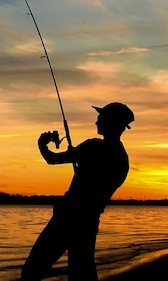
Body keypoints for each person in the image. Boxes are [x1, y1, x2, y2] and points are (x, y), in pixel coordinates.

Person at [21, 102, 134, 281]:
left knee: (31, 271)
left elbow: (52, 159)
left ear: (110, 122)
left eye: (100, 118)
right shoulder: (122, 159)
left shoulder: (93, 147)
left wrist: (42, 144)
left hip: (67, 220)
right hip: (89, 222)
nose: (97, 123)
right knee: (82, 274)